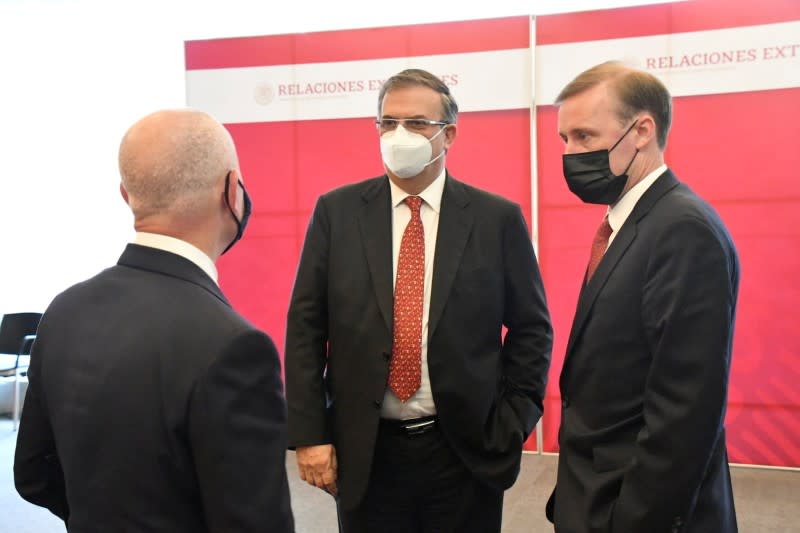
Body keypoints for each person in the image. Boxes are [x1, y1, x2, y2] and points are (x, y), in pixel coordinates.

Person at [285, 68, 553, 533]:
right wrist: (310, 434)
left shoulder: (496, 219)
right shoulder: (337, 212)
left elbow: (532, 329)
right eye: (387, 123)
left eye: (416, 123)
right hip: (365, 449)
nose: (398, 135)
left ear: (448, 134)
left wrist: (511, 424)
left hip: (464, 449)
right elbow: (306, 326)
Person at [14, 109, 295, 532]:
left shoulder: (64, 311)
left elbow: (34, 474)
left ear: (126, 195)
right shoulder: (235, 345)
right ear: (232, 191)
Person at [546, 61, 739, 533]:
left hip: (634, 511)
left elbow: (684, 414)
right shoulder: (632, 222)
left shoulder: (682, 230)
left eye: (585, 137)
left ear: (642, 131)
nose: (571, 154)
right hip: (595, 493)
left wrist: (633, 520)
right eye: (564, 140)